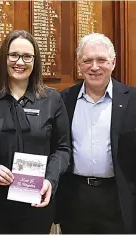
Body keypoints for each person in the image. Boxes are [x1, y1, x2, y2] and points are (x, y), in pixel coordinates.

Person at [0, 30, 71, 234]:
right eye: (13, 55)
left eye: (27, 56)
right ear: (4, 57)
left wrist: (50, 179)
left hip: (37, 202)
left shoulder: (52, 100)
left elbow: (63, 149)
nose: (19, 62)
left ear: (35, 60)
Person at [57, 32, 136, 233]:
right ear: (79, 64)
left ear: (113, 62)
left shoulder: (133, 100)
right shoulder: (63, 100)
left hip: (118, 199)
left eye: (101, 60)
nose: (94, 67)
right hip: (75, 198)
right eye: (87, 60)